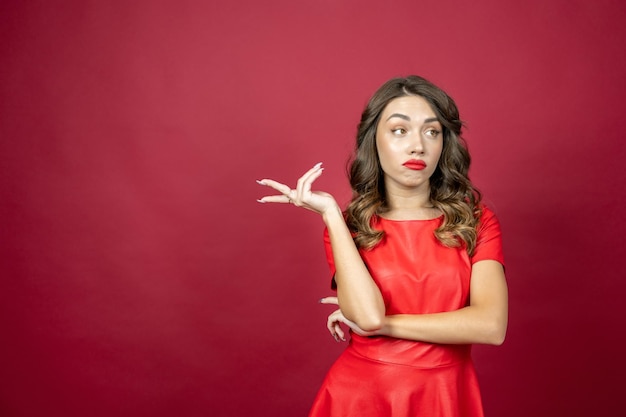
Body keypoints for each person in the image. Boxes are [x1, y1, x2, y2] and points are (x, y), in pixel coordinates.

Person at [256, 75, 508, 417]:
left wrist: (388, 326)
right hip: (361, 397)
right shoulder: (350, 227)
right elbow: (369, 315)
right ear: (374, 141)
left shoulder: (476, 220)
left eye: (432, 131)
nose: (417, 145)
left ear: (443, 144)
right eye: (400, 130)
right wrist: (330, 213)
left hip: (446, 395)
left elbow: (491, 326)